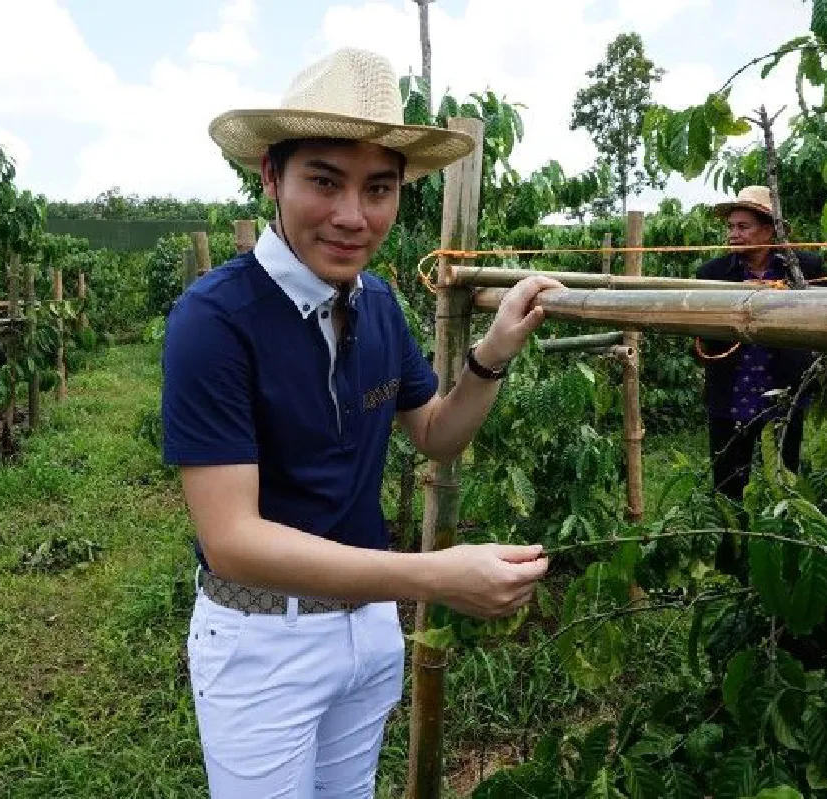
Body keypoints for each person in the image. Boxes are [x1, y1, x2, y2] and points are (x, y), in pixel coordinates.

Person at [161, 47, 560, 798]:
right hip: (263, 643)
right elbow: (234, 540)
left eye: (379, 187)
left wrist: (495, 350)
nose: (354, 216)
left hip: (369, 632)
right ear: (270, 176)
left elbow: (436, 431)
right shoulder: (214, 321)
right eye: (324, 180)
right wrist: (433, 578)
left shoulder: (375, 302)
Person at [694, 186, 827, 533]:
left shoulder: (806, 268)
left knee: (784, 478)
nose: (733, 235)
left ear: (769, 229)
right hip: (731, 393)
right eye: (731, 227)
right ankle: (731, 552)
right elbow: (698, 328)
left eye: (743, 227)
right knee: (727, 484)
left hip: (783, 392)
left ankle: (783, 542)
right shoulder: (711, 273)